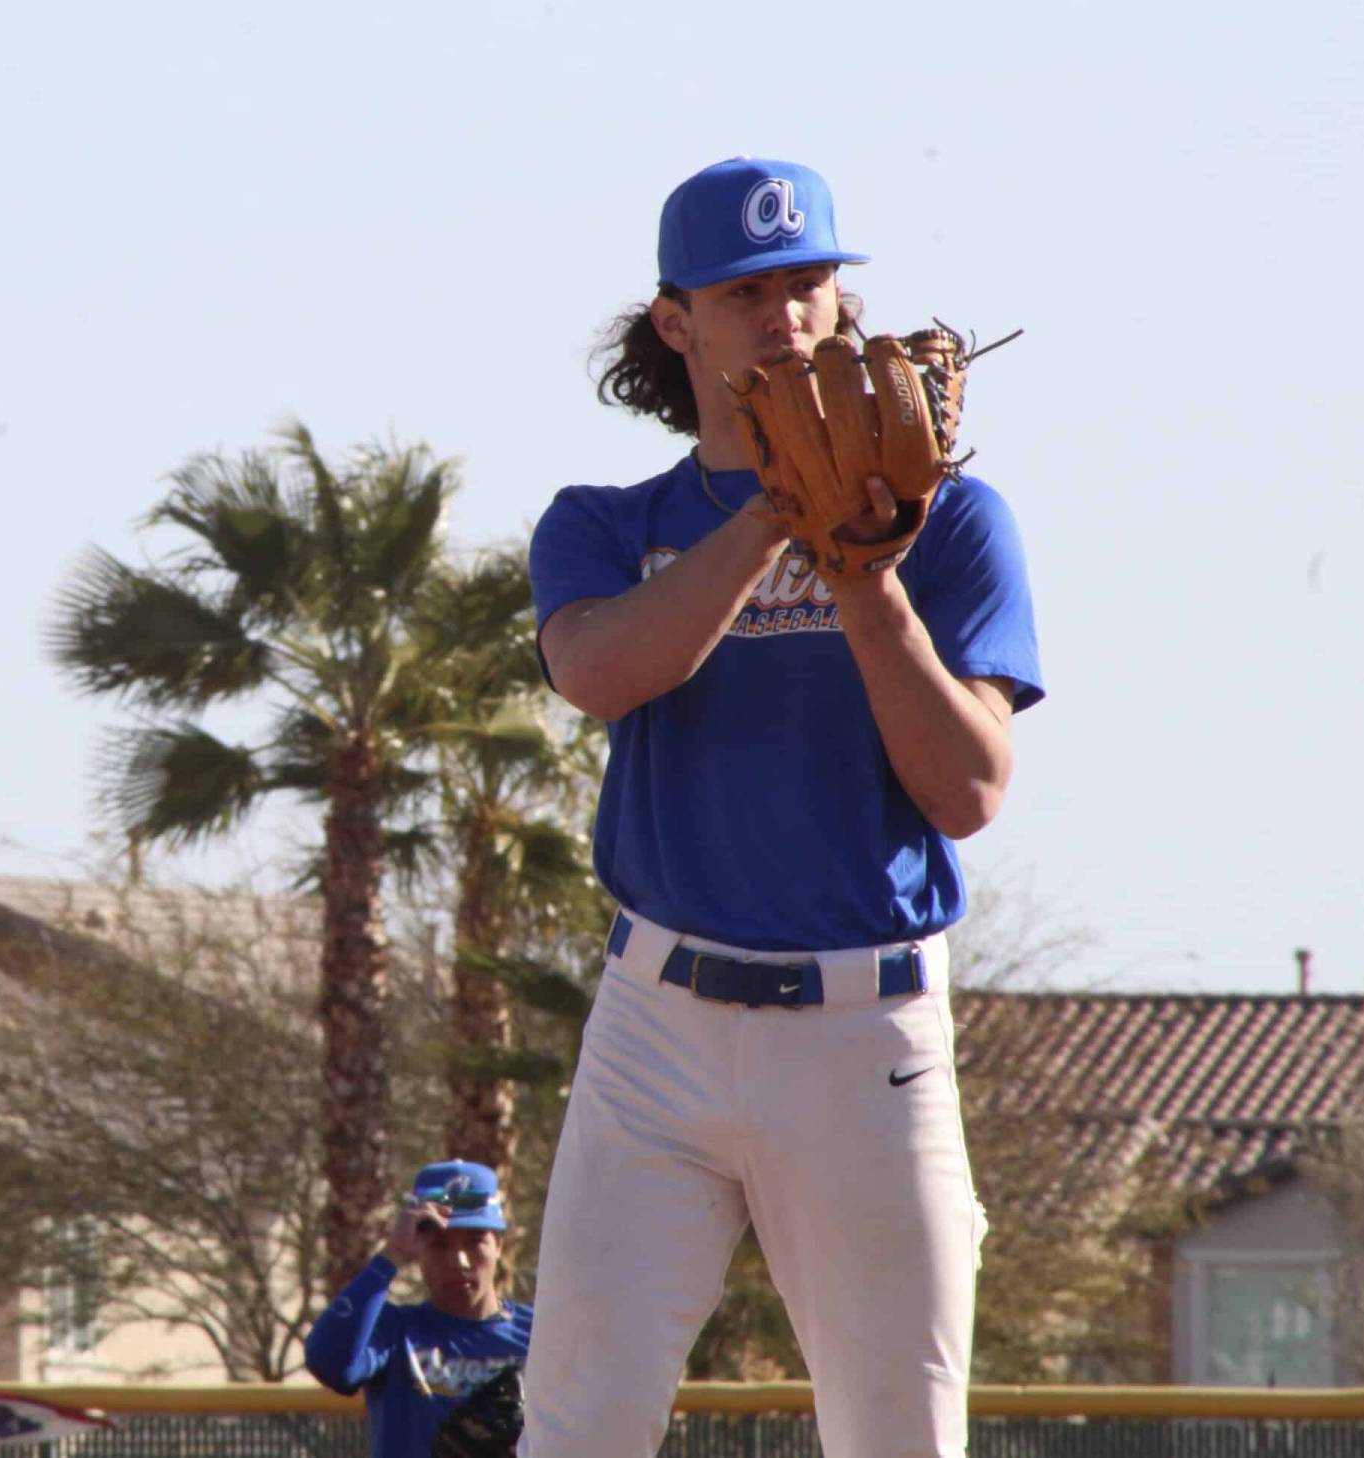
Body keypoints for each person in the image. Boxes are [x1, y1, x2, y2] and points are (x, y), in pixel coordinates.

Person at [519, 157, 1045, 1458]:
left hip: (865, 1030)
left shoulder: (954, 519)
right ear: (676, 321)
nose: (788, 313)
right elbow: (598, 671)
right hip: (656, 1025)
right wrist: (772, 511)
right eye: (748, 290)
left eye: (811, 281)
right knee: (577, 1425)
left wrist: (867, 574)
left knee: (899, 1439)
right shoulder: (607, 521)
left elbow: (967, 789)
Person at [305, 1159, 532, 1458]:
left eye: (475, 1242)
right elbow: (328, 1363)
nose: (459, 1261)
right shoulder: (395, 1331)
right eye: (439, 1245)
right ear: (418, 1249)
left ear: (499, 1245)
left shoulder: (539, 1334)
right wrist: (390, 1256)